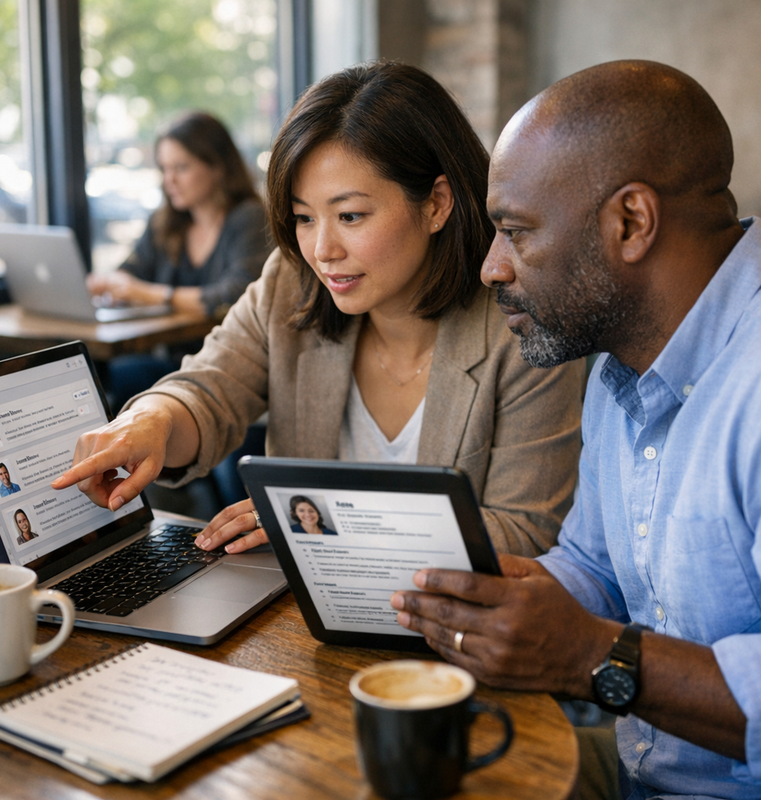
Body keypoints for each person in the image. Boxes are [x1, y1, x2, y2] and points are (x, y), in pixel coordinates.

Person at [390, 60, 761, 800]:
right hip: (634, 776)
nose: (491, 268)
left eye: (514, 232)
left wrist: (590, 657)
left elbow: (593, 646)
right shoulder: (618, 364)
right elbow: (594, 569)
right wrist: (493, 596)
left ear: (630, 222)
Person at [53, 61, 584, 561]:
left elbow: (525, 534)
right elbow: (209, 387)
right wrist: (152, 420)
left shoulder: (524, 327)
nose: (322, 250)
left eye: (350, 215)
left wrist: (326, 523)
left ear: (437, 204)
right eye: (304, 218)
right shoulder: (291, 285)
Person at [86, 111, 272, 408]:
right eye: (164, 168)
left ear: (218, 167)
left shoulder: (248, 218)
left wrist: (149, 294)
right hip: (177, 364)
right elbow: (131, 273)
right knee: (97, 379)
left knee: (116, 380)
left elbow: (235, 294)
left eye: (181, 168)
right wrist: (104, 284)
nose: (169, 180)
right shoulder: (166, 223)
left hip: (229, 369)